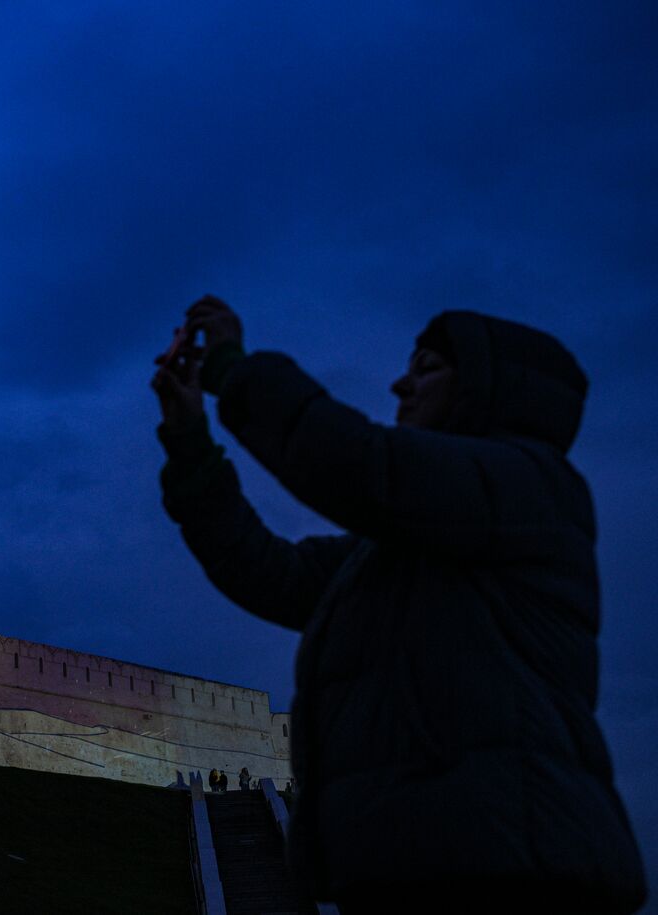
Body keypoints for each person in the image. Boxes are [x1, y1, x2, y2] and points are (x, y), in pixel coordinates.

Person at [152, 297, 646, 914]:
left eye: (428, 367)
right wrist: (189, 440)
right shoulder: (391, 551)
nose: (400, 382)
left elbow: (360, 464)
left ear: (487, 391)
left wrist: (232, 368)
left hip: (504, 865)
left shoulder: (532, 490)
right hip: (409, 866)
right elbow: (268, 571)